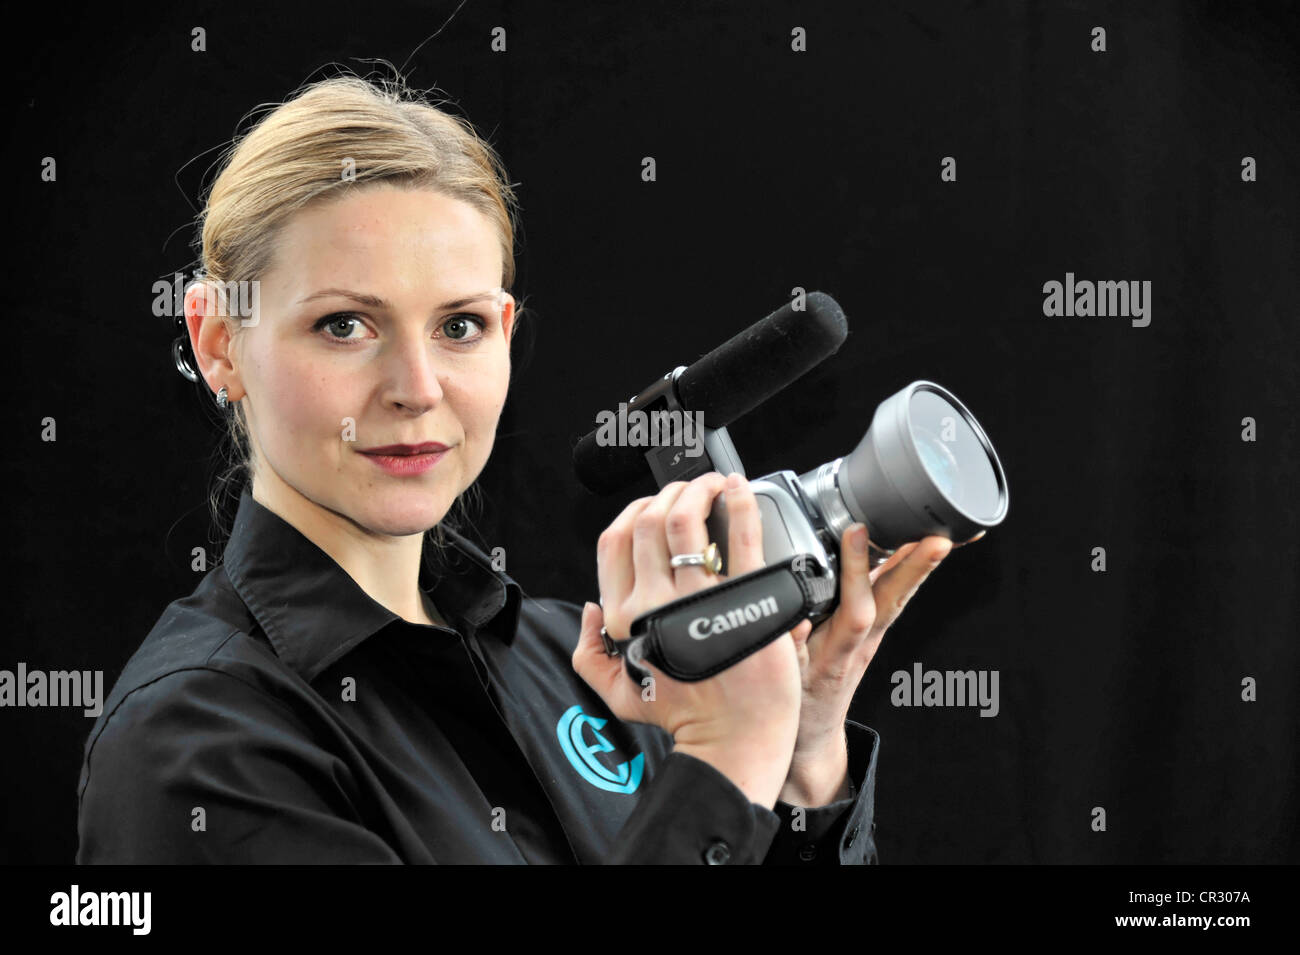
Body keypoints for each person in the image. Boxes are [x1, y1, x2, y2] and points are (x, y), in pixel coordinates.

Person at [76, 73, 954, 864]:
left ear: (505, 327)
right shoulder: (194, 744)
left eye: (458, 326)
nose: (417, 390)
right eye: (346, 324)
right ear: (218, 341)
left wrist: (797, 765)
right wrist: (723, 768)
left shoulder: (576, 657)